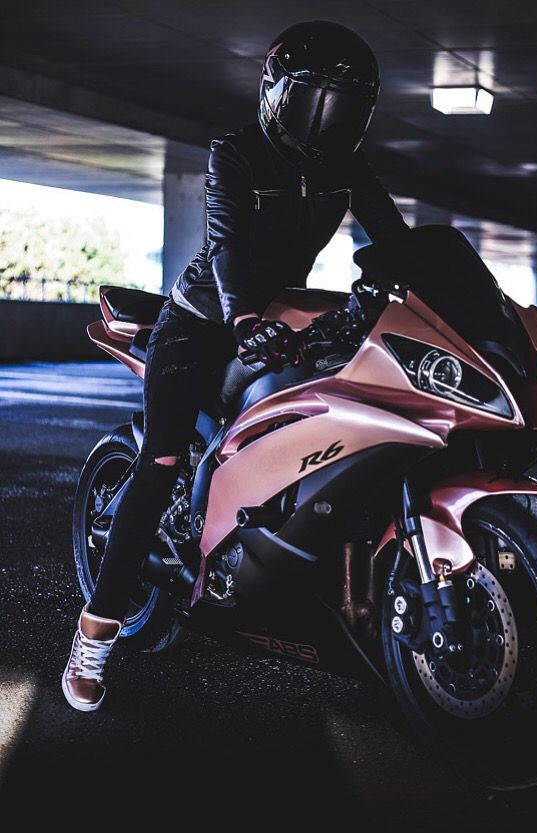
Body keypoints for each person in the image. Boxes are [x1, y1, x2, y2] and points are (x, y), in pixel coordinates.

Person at [61, 19, 410, 711]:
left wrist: (428, 281)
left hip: (283, 315)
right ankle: (93, 634)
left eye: (342, 107)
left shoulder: (348, 166)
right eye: (312, 100)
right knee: (160, 463)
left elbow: (396, 240)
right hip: (203, 321)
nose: (324, 120)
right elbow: (222, 246)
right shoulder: (237, 153)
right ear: (275, 92)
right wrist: (245, 316)